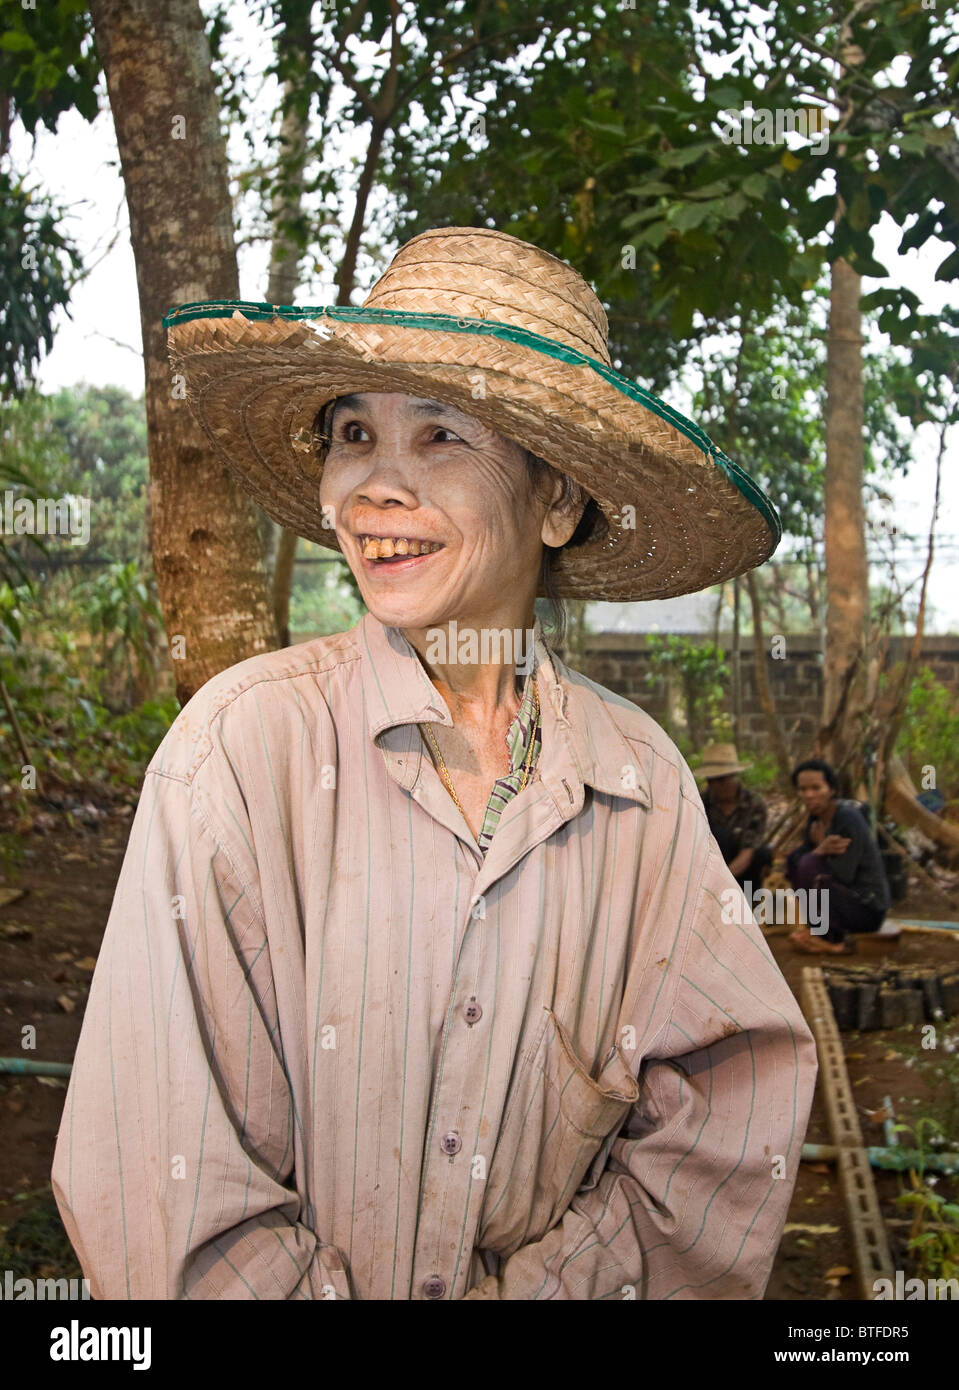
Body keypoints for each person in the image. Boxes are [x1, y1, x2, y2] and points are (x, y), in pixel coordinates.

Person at [52, 226, 816, 1300]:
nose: (375, 487)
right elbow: (155, 1181)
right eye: (352, 432)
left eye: (443, 435)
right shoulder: (240, 752)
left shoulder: (636, 784)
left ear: (555, 501)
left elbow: (725, 1121)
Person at [786, 757, 891, 955]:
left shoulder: (847, 819)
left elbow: (844, 874)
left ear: (832, 790)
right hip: (844, 903)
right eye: (803, 789)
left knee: (809, 864)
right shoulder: (816, 819)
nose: (809, 795)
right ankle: (821, 931)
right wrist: (818, 850)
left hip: (866, 909)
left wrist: (818, 850)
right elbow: (799, 860)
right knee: (795, 860)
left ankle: (834, 942)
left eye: (816, 788)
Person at [698, 743, 772, 901]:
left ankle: (751, 902)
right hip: (710, 864)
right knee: (721, 836)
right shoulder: (700, 803)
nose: (718, 786)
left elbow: (748, 849)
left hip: (743, 867)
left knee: (761, 853)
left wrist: (723, 880)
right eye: (713, 780)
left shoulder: (754, 804)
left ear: (735, 777)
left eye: (723, 779)